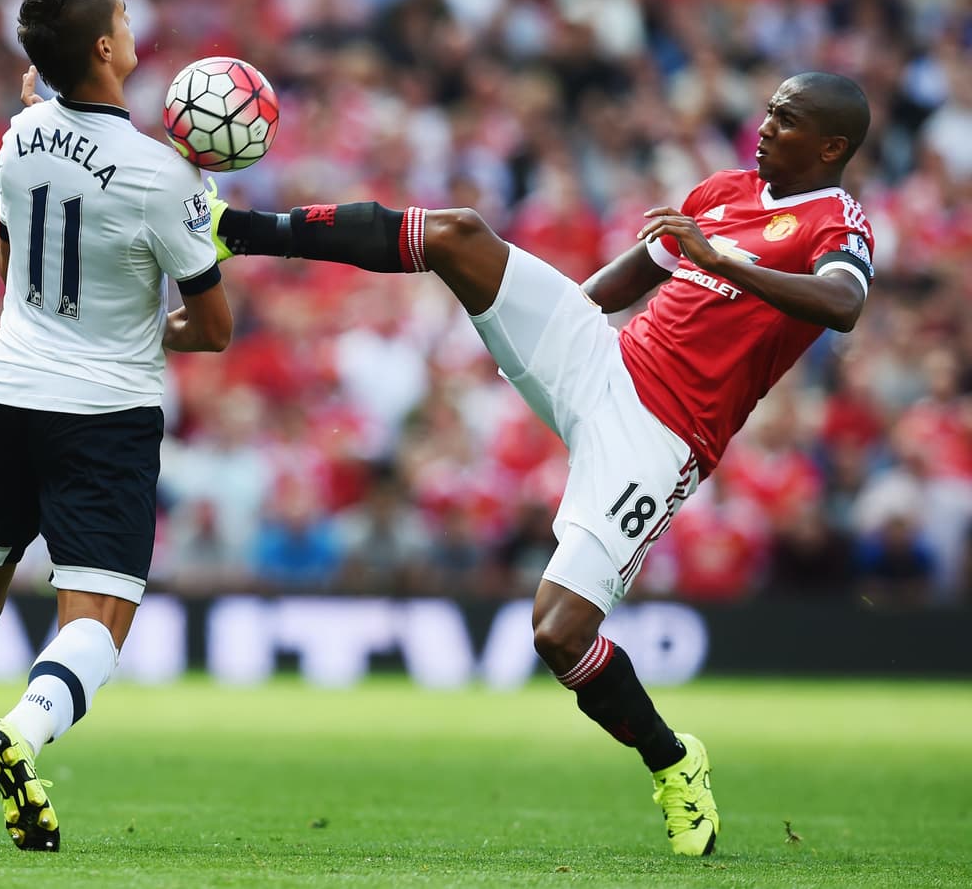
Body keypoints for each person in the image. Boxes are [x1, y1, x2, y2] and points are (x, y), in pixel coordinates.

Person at [205, 71, 874, 856]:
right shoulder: (723, 189)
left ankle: (673, 761)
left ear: (830, 145)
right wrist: (525, 321)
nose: (765, 125)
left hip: (661, 437)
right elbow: (625, 279)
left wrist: (720, 259)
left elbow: (843, 305)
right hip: (605, 360)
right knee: (459, 235)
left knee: (558, 633)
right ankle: (237, 230)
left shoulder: (838, 221)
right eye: (767, 109)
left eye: (786, 119)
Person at [0, 0, 232, 851]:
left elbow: (13, 257)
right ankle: (25, 731)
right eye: (121, 12)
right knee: (99, 620)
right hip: (105, 413)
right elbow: (214, 327)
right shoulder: (162, 178)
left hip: (4, 391)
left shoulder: (19, 137)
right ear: (109, 47)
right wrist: (145, 323)